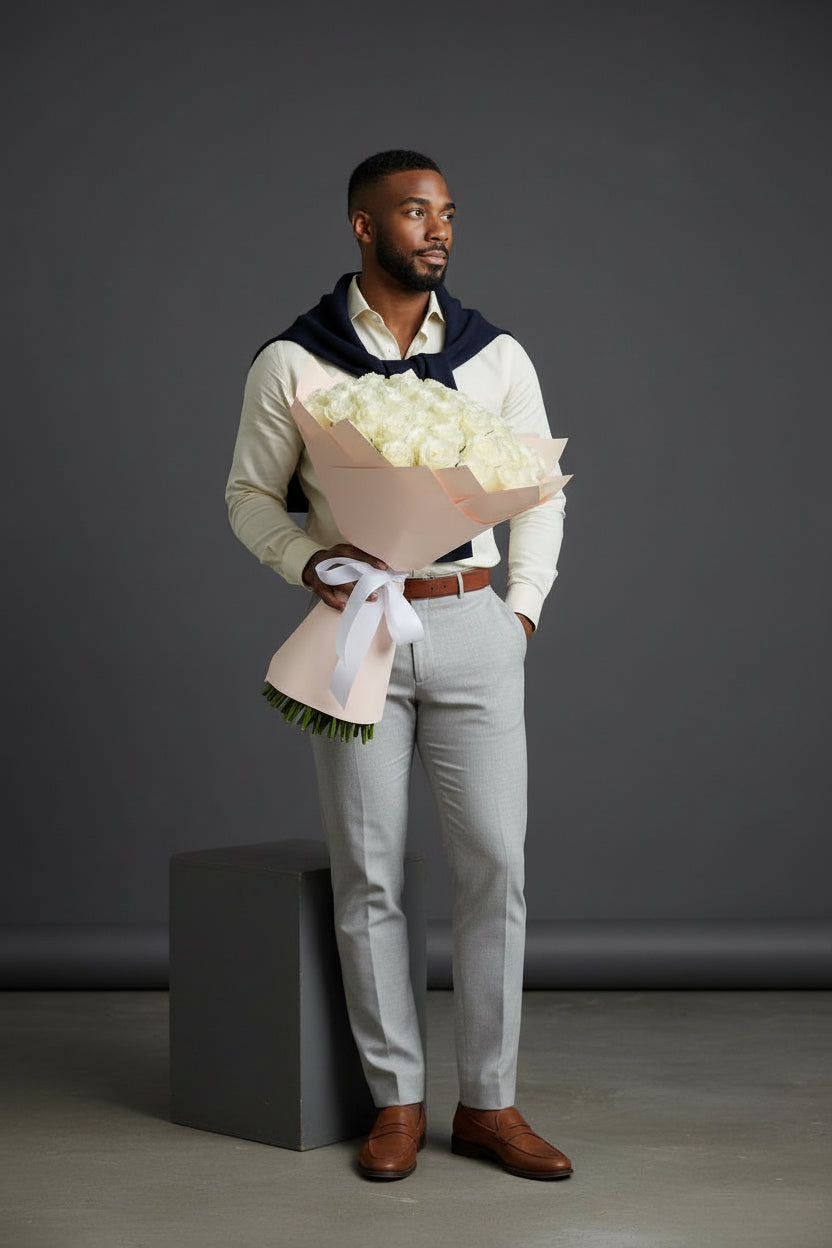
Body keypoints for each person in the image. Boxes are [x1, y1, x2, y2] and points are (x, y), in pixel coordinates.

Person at [225, 150, 572, 1182]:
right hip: (361, 625)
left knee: (495, 868)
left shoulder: (494, 355)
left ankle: (491, 1105)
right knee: (368, 873)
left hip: (470, 621)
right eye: (417, 213)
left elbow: (541, 488)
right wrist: (308, 562)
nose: (440, 231)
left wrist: (520, 613)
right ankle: (397, 1104)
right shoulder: (294, 363)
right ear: (363, 228)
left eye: (449, 214)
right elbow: (249, 496)